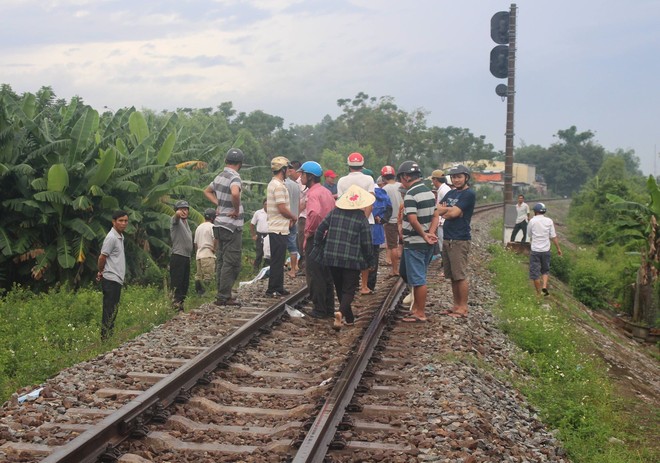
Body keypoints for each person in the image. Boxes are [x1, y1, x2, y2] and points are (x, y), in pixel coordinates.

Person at [314, 185, 375, 330]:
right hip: (352, 260)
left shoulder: (334, 213)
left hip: (332, 257)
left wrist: (318, 245)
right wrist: (370, 261)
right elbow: (366, 242)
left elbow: (320, 229)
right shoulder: (361, 218)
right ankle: (341, 313)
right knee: (349, 290)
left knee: (339, 287)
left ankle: (349, 318)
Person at [396, 161, 438, 323]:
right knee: (405, 271)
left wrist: (425, 234)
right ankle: (416, 307)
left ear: (406, 177)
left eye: (401, 178)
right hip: (421, 241)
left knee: (418, 279)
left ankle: (419, 312)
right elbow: (435, 215)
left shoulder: (411, 195)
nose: (401, 182)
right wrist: (431, 233)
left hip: (415, 242)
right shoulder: (428, 192)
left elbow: (412, 219)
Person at [204, 147, 244, 307]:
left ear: (226, 161)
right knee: (232, 261)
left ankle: (221, 293)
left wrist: (218, 204)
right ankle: (224, 296)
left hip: (219, 224)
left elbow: (206, 191)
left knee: (221, 260)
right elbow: (235, 193)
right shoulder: (235, 177)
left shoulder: (220, 176)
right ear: (240, 163)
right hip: (232, 226)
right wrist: (235, 209)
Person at [436, 164, 476, 318]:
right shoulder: (451, 193)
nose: (456, 180)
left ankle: (463, 308)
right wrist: (449, 211)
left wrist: (449, 211)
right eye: (454, 177)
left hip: (460, 238)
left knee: (460, 275)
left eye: (459, 177)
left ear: (466, 178)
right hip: (448, 236)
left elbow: (454, 213)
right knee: (452, 275)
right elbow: (438, 210)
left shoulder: (468, 194)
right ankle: (456, 305)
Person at [299, 161, 336, 318]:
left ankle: (319, 309)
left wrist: (309, 232)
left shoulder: (313, 194)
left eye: (302, 174)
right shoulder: (326, 192)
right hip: (329, 237)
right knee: (326, 274)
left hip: (317, 238)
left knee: (315, 274)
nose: (301, 177)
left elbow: (315, 213)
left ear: (309, 176)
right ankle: (328, 308)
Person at [266, 156, 297, 297]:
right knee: (278, 260)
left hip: (279, 227)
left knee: (278, 259)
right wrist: (293, 216)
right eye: (287, 169)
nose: (289, 171)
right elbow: (282, 208)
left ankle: (277, 287)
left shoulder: (276, 184)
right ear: (282, 169)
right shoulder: (278, 186)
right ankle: (273, 288)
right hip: (278, 228)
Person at [97, 210, 128, 341]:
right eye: (120, 221)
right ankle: (105, 338)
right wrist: (101, 271)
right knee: (109, 309)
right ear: (114, 222)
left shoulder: (120, 236)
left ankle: (109, 335)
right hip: (111, 278)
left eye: (126, 221)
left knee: (113, 309)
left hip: (116, 278)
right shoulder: (111, 238)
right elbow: (102, 257)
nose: (123, 223)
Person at [527, 202, 562, 296]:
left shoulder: (532, 221)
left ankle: (539, 294)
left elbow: (529, 235)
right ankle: (544, 287)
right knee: (545, 270)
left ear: (535, 212)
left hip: (535, 251)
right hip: (546, 250)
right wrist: (558, 249)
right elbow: (553, 236)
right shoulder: (549, 221)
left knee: (535, 273)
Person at [366, 182, 392, 292]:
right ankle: (370, 285)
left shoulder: (362, 192)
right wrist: (381, 220)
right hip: (376, 230)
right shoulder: (382, 194)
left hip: (362, 229)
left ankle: (358, 284)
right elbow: (389, 210)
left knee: (360, 257)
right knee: (374, 258)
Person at [170, 200, 193, 311]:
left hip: (186, 257)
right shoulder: (176, 221)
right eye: (182, 209)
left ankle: (181, 305)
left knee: (185, 283)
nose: (184, 211)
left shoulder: (186, 223)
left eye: (186, 209)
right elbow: (176, 217)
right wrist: (177, 213)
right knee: (177, 283)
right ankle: (175, 305)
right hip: (178, 256)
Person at [381, 165, 402, 276]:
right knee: (404, 244)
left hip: (391, 221)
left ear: (383, 177)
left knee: (393, 246)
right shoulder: (401, 186)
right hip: (403, 220)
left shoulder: (385, 189)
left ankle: (395, 270)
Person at [430, 169, 452, 261]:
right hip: (442, 221)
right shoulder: (443, 189)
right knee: (442, 243)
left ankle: (446, 263)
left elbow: (448, 207)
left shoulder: (444, 190)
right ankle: (445, 263)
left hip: (443, 221)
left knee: (443, 244)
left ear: (435, 180)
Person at [194, 208, 216, 296]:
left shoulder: (199, 227)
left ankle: (198, 294)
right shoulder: (212, 227)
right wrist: (214, 249)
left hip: (199, 255)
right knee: (208, 275)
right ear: (213, 218)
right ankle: (205, 293)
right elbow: (215, 239)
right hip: (208, 254)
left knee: (199, 275)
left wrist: (197, 252)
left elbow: (195, 243)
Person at [285, 162, 301, 278]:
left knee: (280, 245)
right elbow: (298, 203)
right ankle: (293, 270)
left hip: (284, 218)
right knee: (293, 246)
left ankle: (282, 268)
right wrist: (295, 217)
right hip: (294, 219)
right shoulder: (296, 185)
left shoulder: (282, 184)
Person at [250, 199, 268, 272]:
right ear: (263, 205)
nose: (267, 206)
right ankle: (255, 269)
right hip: (260, 234)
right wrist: (253, 235)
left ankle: (266, 268)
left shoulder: (273, 213)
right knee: (259, 253)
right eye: (266, 204)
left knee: (268, 253)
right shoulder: (258, 213)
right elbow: (252, 224)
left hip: (269, 235)